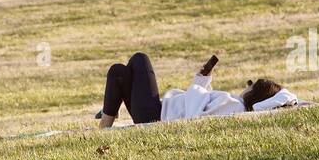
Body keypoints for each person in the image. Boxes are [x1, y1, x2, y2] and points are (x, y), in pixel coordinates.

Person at [97, 53, 298, 128]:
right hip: (157, 111)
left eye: (251, 86)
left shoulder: (235, 106)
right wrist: (202, 78)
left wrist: (199, 84)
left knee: (140, 59)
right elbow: (201, 107)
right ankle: (105, 124)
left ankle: (106, 123)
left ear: (256, 94)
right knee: (119, 72)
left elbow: (194, 117)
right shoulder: (233, 106)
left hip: (156, 116)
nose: (246, 87)